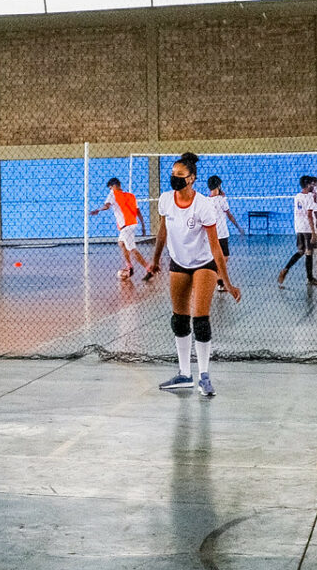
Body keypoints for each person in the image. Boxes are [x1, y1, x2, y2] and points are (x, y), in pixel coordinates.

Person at [149, 152, 240, 396]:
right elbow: (162, 232)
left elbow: (215, 246)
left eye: (180, 176)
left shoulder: (203, 205)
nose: (175, 179)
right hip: (179, 262)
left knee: (200, 319)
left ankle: (204, 376)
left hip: (203, 263)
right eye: (173, 175)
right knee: (179, 319)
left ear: (192, 179)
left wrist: (227, 282)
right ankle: (184, 374)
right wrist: (155, 261)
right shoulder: (166, 200)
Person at [91, 177, 151, 280]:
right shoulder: (131, 196)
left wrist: (98, 210)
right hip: (132, 224)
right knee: (121, 243)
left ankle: (149, 269)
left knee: (132, 249)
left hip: (126, 227)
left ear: (113, 186)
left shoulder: (113, 194)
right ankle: (129, 266)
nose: (110, 190)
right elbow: (138, 212)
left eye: (110, 188)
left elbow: (107, 206)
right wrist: (143, 226)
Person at [278, 175, 317, 286]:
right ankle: (310, 278)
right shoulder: (308, 197)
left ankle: (286, 269)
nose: (314, 186)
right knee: (309, 252)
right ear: (308, 185)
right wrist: (314, 233)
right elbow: (309, 215)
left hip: (299, 227)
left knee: (301, 251)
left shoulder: (297, 196)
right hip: (307, 229)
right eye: (313, 184)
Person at [206, 176, 244, 292]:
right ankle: (219, 280)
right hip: (221, 233)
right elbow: (229, 215)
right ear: (218, 185)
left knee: (220, 257)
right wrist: (238, 227)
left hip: (212, 233)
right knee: (224, 257)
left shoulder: (206, 200)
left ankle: (219, 281)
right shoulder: (222, 200)